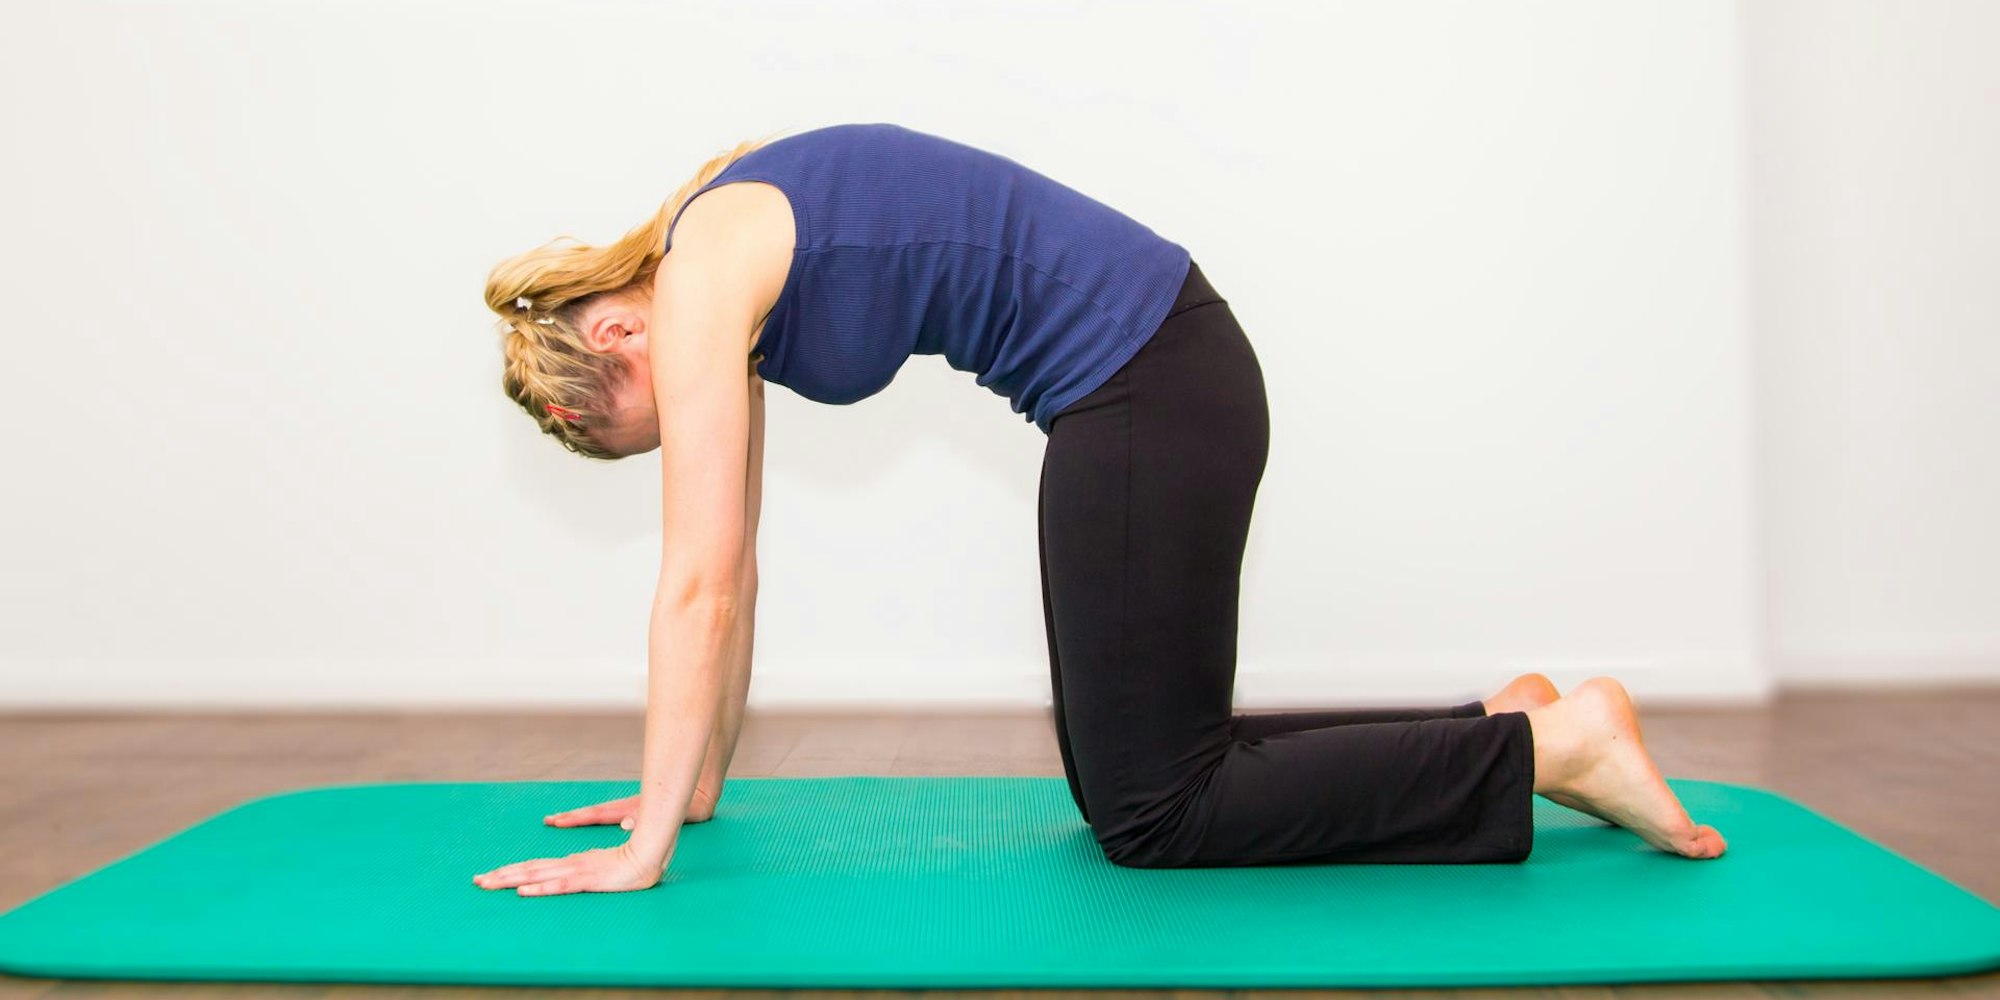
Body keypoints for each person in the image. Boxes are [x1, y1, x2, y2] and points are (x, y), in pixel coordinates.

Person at [471, 122, 1725, 896]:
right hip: (1148, 377)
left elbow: (699, 583)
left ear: (620, 336)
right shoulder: (714, 255)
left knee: (1150, 810)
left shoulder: (697, 279)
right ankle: (1500, 724)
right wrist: (686, 789)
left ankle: (1549, 755)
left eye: (633, 434)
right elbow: (730, 558)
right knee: (1135, 773)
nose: (669, 448)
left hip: (1148, 380)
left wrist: (642, 857)